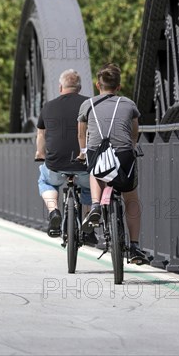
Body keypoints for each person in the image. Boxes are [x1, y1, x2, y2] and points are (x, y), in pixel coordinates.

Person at [77, 63, 148, 264]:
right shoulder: (129, 104)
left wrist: (83, 153)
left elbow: (81, 134)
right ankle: (134, 246)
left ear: (98, 85)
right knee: (131, 198)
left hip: (97, 153)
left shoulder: (87, 105)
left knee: (94, 170)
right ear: (118, 87)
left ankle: (96, 206)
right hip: (124, 154)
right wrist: (132, 146)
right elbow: (134, 133)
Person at [35, 69, 93, 242]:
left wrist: (40, 153)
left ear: (60, 87)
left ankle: (54, 211)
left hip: (56, 166)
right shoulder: (89, 104)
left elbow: (41, 135)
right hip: (84, 166)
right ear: (79, 88)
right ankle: (88, 222)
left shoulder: (48, 106)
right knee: (91, 185)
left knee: (44, 180)